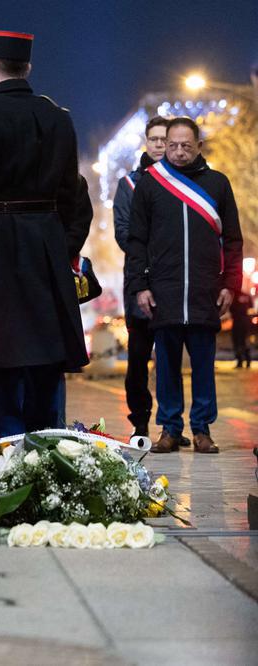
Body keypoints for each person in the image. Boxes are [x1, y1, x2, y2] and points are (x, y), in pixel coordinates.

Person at [0, 30, 89, 437]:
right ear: (27, 66)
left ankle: (5, 455)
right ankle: (51, 450)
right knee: (46, 356)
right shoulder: (58, 118)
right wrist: (63, 249)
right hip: (47, 245)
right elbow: (73, 196)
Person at [127, 116, 244, 454]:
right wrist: (140, 286)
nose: (178, 152)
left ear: (199, 147)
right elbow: (136, 241)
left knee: (204, 367)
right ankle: (170, 428)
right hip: (163, 292)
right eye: (173, 145)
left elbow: (233, 241)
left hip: (206, 292)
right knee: (165, 367)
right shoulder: (150, 185)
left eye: (186, 146)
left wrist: (230, 285)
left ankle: (203, 429)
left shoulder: (218, 184)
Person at [114, 116, 169, 438]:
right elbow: (124, 234)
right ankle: (140, 420)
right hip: (139, 282)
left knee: (170, 360)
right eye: (156, 139)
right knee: (138, 359)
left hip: (174, 285)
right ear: (146, 143)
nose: (161, 145)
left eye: (166, 139)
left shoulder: (184, 183)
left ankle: (170, 424)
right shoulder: (130, 184)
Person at [230, 291, 253, 368]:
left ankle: (240, 362)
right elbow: (251, 307)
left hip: (237, 321)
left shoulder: (234, 295)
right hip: (246, 321)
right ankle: (248, 361)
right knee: (245, 341)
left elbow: (231, 308)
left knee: (237, 341)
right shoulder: (247, 295)